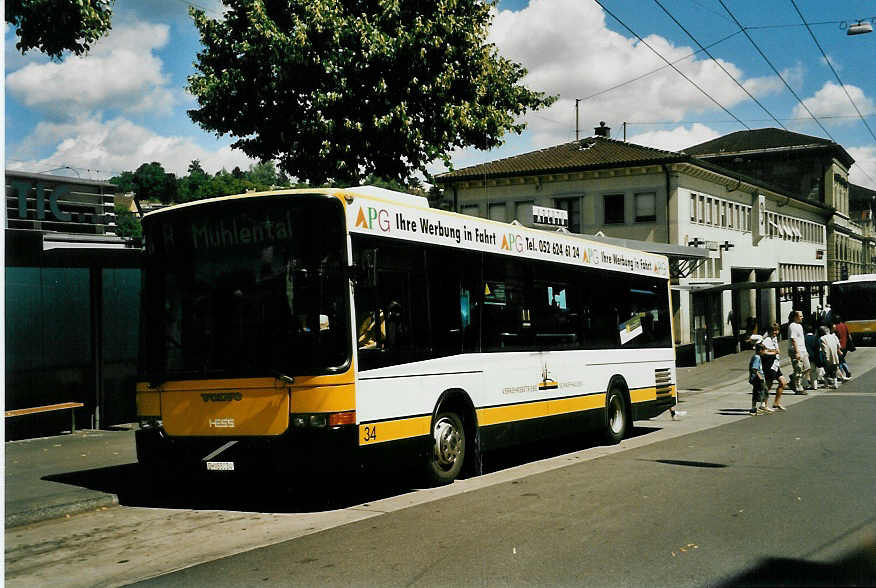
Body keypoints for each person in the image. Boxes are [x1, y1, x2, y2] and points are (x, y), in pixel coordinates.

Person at [761, 322, 784, 411]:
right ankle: (764, 404)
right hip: (769, 364)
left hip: (775, 364)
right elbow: (763, 352)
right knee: (768, 385)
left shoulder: (774, 338)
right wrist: (774, 352)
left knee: (783, 383)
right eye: (774, 330)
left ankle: (776, 403)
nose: (775, 332)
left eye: (777, 330)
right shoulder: (766, 340)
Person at [786, 310, 809, 395]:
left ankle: (793, 380)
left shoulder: (799, 326)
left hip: (803, 349)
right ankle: (798, 387)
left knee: (807, 367)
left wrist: (805, 351)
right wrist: (797, 352)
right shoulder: (792, 326)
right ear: (795, 317)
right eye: (800, 316)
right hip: (796, 350)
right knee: (798, 369)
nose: (802, 317)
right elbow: (793, 339)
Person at [819, 325, 841, 389]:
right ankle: (835, 383)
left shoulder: (822, 338)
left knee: (828, 371)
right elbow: (838, 346)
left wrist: (826, 357)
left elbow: (824, 349)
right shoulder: (834, 337)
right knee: (834, 370)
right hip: (835, 356)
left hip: (827, 357)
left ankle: (826, 384)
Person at [748, 343, 768, 415]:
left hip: (754, 378)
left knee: (756, 392)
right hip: (758, 379)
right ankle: (761, 407)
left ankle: (754, 408)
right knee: (763, 391)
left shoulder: (755, 356)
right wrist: (760, 377)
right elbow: (754, 368)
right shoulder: (757, 357)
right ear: (760, 350)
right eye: (763, 350)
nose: (764, 352)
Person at [804, 321, 823, 390]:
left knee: (805, 371)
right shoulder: (815, 338)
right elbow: (818, 348)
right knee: (813, 371)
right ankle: (814, 385)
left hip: (806, 356)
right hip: (814, 357)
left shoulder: (804, 338)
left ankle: (805, 384)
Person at [832, 315, 852, 380]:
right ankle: (847, 372)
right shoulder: (844, 325)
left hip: (838, 346)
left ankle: (841, 374)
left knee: (839, 361)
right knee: (842, 359)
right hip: (845, 345)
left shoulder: (835, 327)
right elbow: (849, 335)